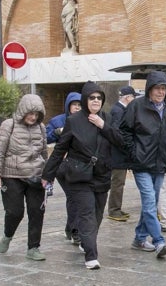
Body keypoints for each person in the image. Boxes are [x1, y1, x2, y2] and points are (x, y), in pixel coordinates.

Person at [42, 81, 121, 270]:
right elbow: (61, 149)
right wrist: (48, 175)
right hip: (79, 176)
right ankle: (91, 255)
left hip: (102, 175)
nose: (95, 101)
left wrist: (103, 126)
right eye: (92, 97)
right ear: (85, 99)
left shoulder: (107, 119)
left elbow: (120, 141)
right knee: (86, 214)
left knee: (97, 215)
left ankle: (87, 243)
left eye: (99, 98)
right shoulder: (74, 121)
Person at [120, 71, 166, 258]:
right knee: (150, 202)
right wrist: (134, 153)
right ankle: (159, 241)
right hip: (141, 164)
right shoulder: (136, 106)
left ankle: (139, 239)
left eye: (164, 89)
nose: (161, 92)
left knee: (150, 203)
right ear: (149, 89)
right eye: (157, 88)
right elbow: (124, 132)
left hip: (160, 164)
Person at [0, 94, 48, 261]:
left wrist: (48, 174)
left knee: (37, 212)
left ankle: (33, 248)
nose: (33, 117)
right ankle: (7, 236)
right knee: (15, 212)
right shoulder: (10, 125)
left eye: (37, 114)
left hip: (35, 176)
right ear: (23, 111)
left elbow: (44, 153)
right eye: (30, 113)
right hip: (12, 176)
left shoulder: (41, 128)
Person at [45, 92, 82, 245]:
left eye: (80, 105)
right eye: (75, 105)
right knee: (74, 197)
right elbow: (45, 137)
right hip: (62, 166)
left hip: (81, 166)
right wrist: (55, 132)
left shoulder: (87, 120)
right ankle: (75, 231)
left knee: (76, 198)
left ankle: (71, 227)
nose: (77, 108)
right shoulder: (58, 120)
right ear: (68, 105)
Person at [107, 86, 139, 222]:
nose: (134, 100)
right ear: (127, 97)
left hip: (120, 154)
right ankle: (114, 211)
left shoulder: (120, 110)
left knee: (119, 183)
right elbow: (117, 133)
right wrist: (127, 147)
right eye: (133, 97)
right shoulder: (118, 111)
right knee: (117, 183)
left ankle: (117, 208)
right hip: (118, 155)